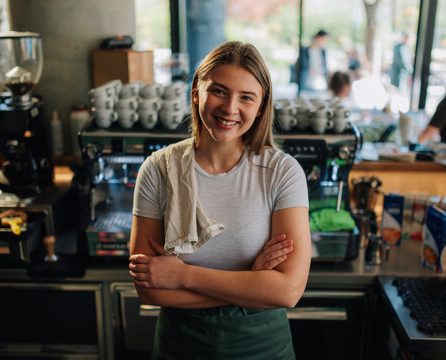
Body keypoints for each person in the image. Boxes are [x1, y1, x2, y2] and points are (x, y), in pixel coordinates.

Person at [129, 41, 310, 359]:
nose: (230, 109)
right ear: (197, 91)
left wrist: (183, 276)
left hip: (262, 346)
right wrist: (252, 283)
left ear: (260, 105)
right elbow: (150, 288)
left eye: (246, 98)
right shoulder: (158, 169)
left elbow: (288, 291)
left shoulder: (281, 172)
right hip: (181, 346)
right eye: (220, 91)